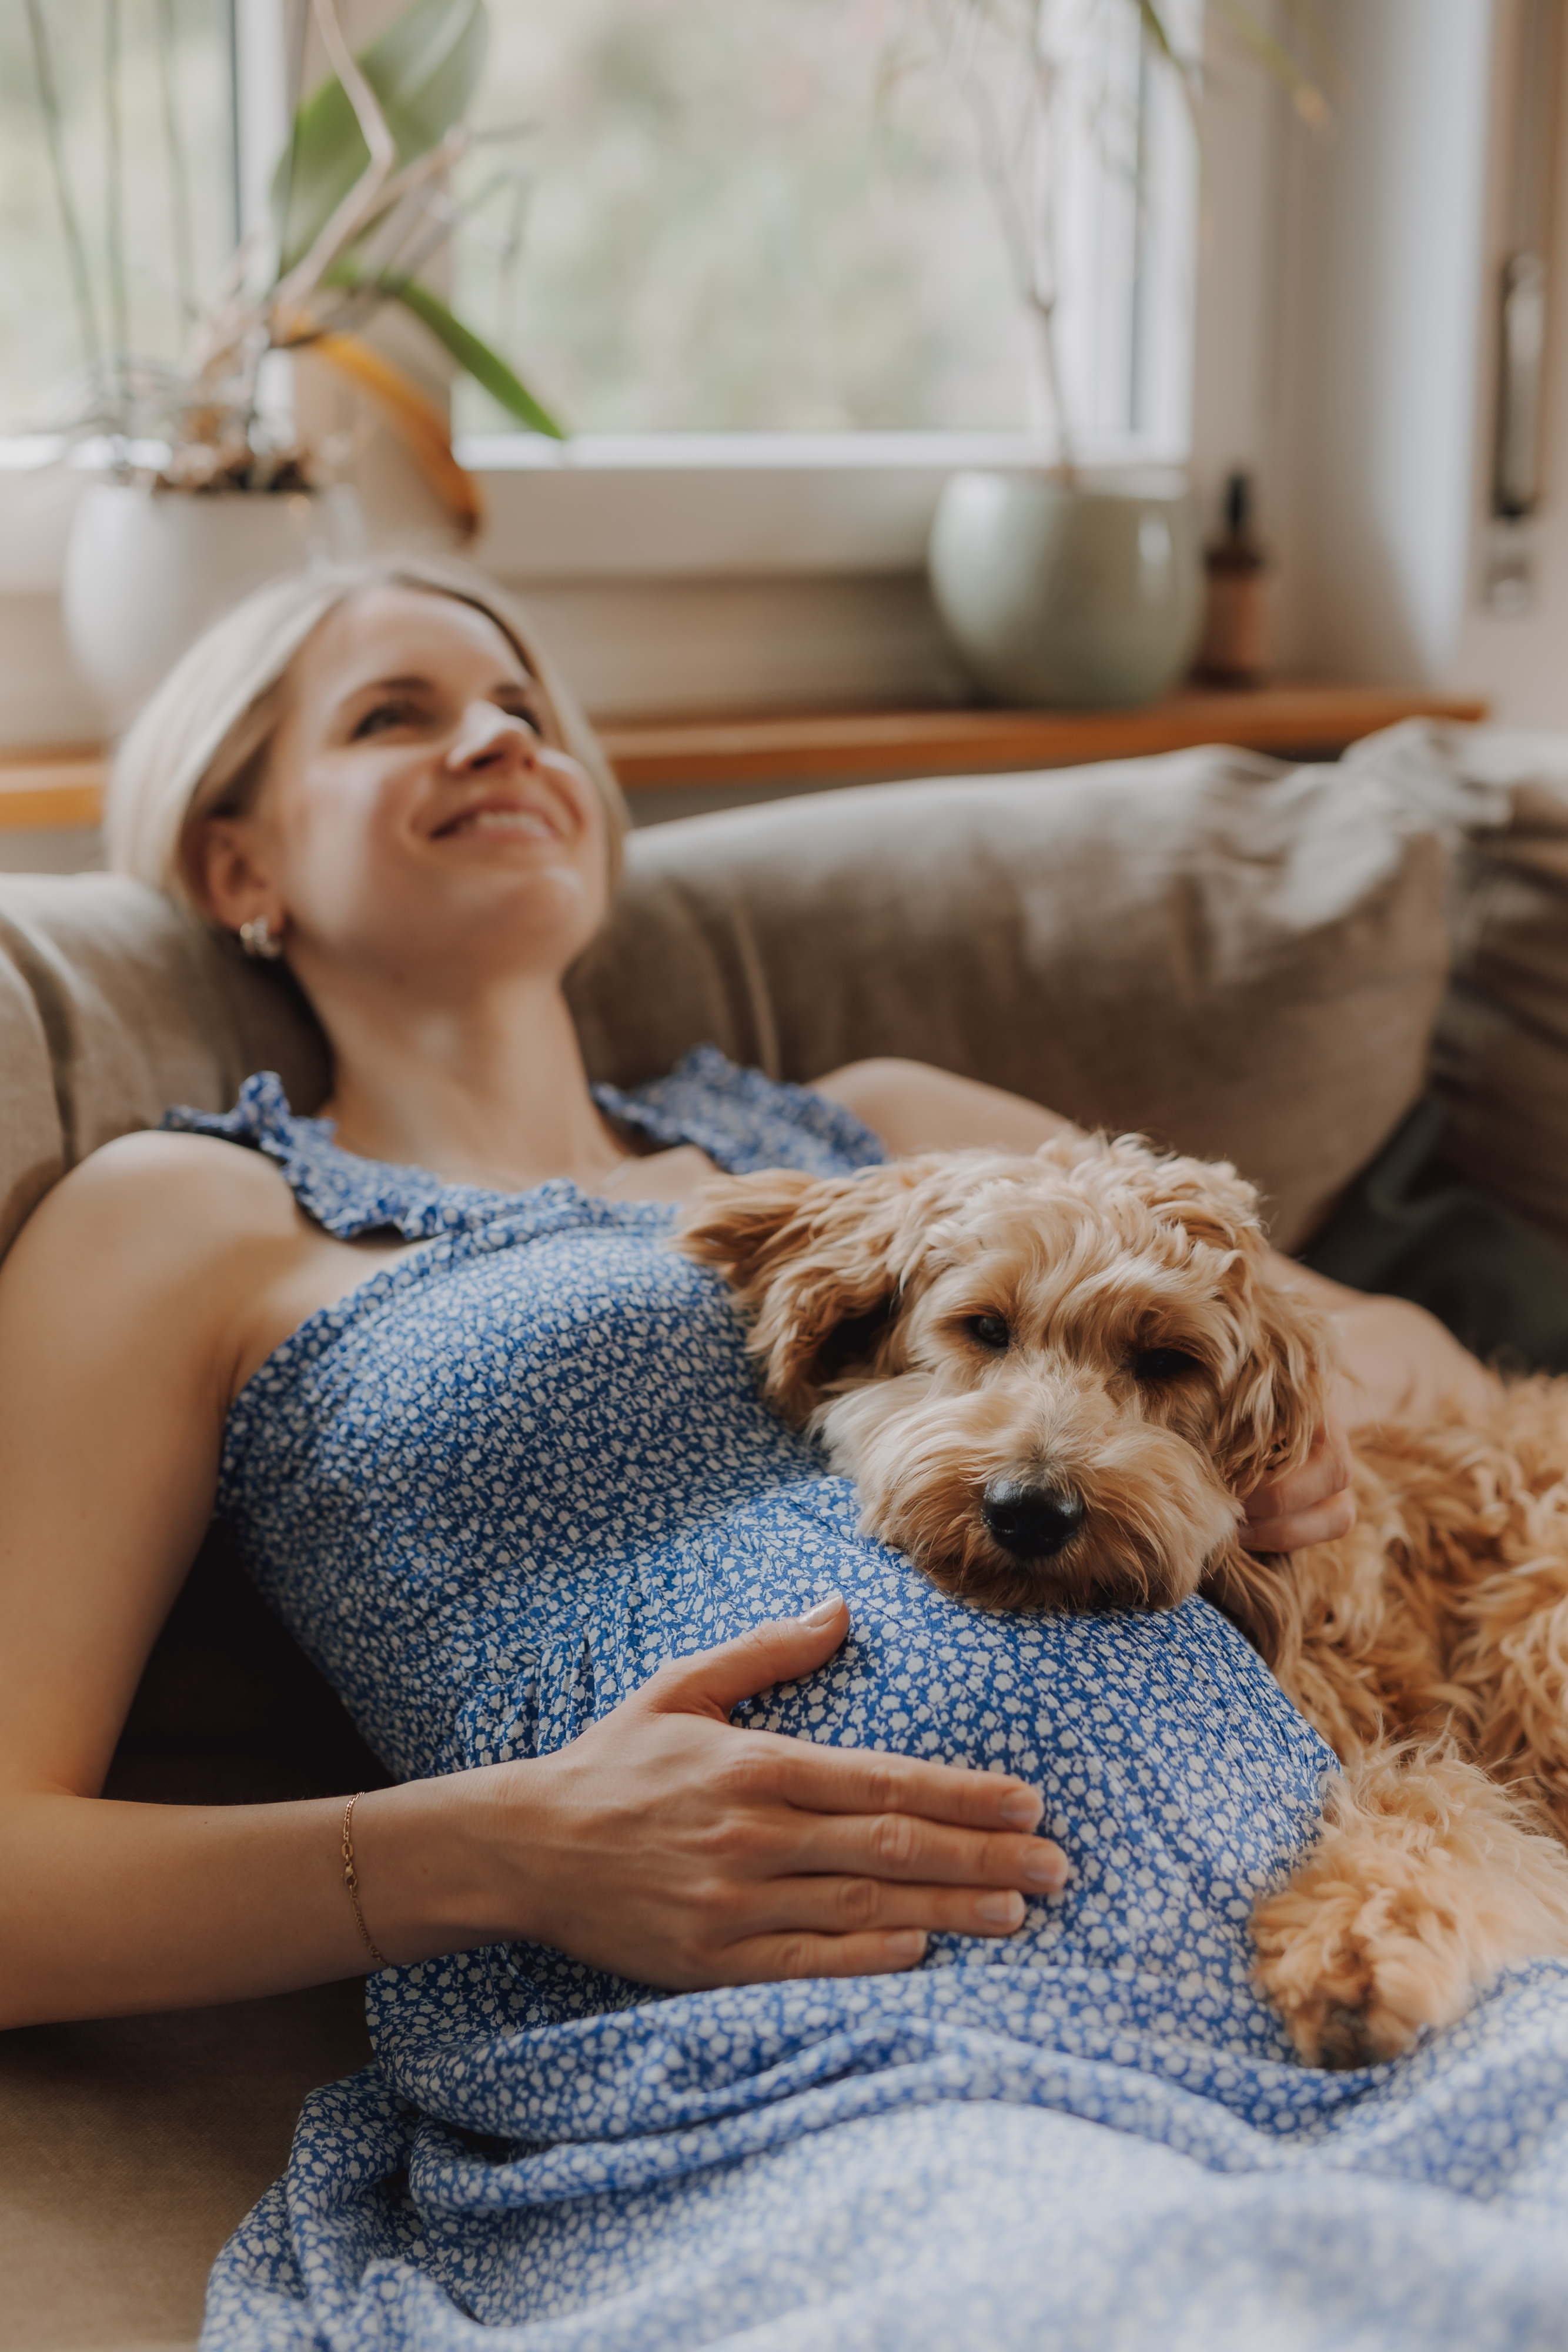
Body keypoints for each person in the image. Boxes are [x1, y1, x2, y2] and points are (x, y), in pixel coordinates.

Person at [0, 559, 1540, 2352]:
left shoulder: (884, 1129)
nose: (495, 736)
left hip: (1351, 1954)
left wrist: (1285, 1452)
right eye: (393, 715)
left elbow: (1390, 1348)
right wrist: (495, 1853)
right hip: (846, 2059)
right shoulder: (188, 1218)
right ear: (237, 862)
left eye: (522, 707)